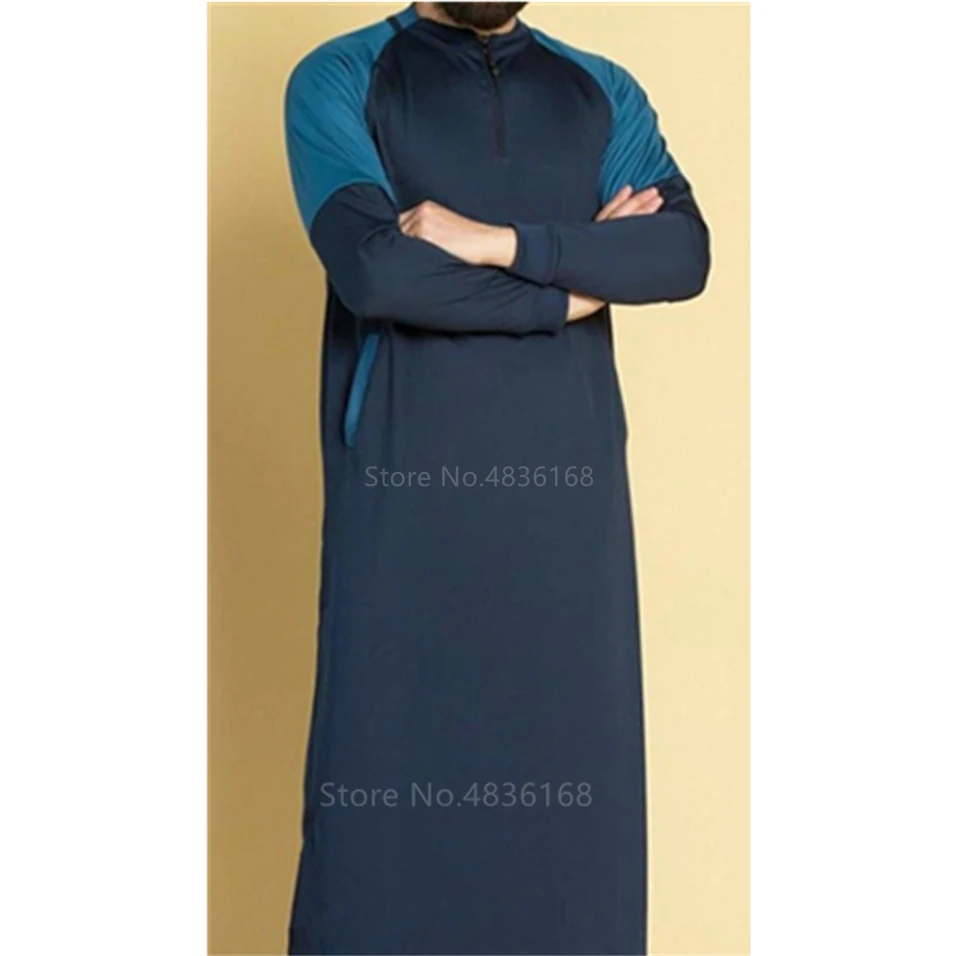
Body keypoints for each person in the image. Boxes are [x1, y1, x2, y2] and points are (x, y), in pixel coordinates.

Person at [283, 3, 709, 953]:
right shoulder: (342, 77)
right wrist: (583, 282)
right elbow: (379, 272)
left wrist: (497, 242)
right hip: (405, 493)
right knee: (381, 809)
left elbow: (681, 252)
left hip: (570, 501)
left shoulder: (599, 89)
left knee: (573, 818)